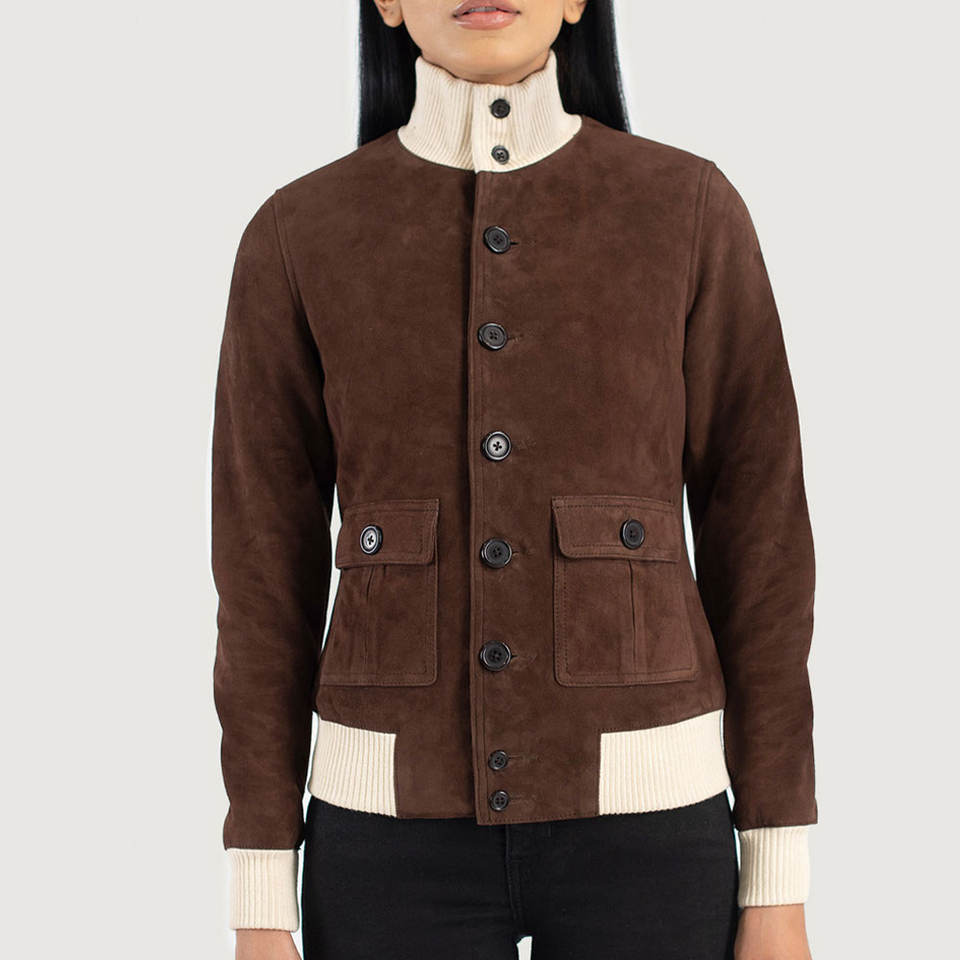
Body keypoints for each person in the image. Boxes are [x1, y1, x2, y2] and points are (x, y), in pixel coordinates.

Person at [210, 2, 818, 958]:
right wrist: (258, 900)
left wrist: (778, 878)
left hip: (652, 831)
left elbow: (763, 543)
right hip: (387, 837)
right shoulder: (300, 231)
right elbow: (259, 580)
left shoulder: (686, 209)